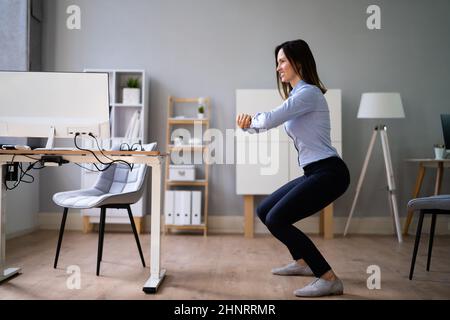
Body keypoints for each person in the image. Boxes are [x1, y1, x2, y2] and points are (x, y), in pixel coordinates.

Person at [236, 39, 350, 297]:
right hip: (314, 172)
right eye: (277, 63)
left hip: (330, 172)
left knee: (278, 218)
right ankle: (302, 262)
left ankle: (328, 277)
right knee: (265, 210)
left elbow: (272, 117)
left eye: (282, 61)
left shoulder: (308, 93)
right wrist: (248, 125)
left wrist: (250, 121)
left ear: (298, 62)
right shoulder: (298, 96)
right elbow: (269, 123)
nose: (278, 68)